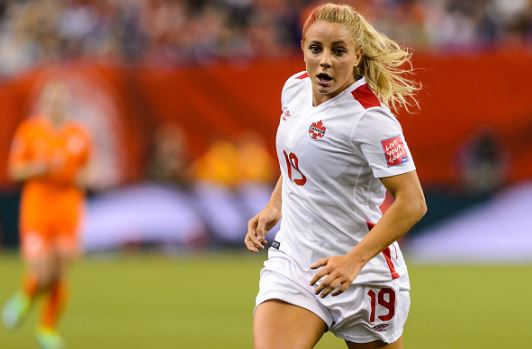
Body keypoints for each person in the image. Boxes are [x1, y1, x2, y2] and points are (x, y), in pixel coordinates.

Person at [244, 3, 427, 349]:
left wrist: (353, 261)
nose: (325, 60)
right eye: (316, 49)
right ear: (303, 49)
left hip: (363, 274)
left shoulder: (370, 119)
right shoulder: (294, 89)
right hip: (297, 262)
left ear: (358, 55)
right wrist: (274, 206)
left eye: (338, 51)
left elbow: (413, 202)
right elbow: (298, 159)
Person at [2, 81, 91, 349]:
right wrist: (40, 167)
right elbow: (15, 171)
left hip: (67, 209)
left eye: (61, 100)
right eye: (52, 100)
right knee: (42, 272)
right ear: (43, 103)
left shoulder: (79, 135)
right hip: (38, 209)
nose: (56, 105)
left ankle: (46, 329)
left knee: (60, 272)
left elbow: (87, 173)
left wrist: (74, 175)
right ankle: (25, 297)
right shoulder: (30, 132)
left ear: (66, 104)